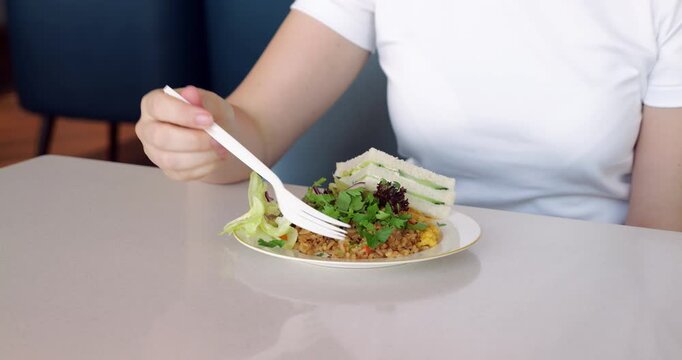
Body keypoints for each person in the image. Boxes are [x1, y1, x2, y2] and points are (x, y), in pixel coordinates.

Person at [135, 1, 682, 232]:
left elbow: (660, 240)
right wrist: (203, 135)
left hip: (600, 287)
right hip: (419, 270)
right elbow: (253, 128)